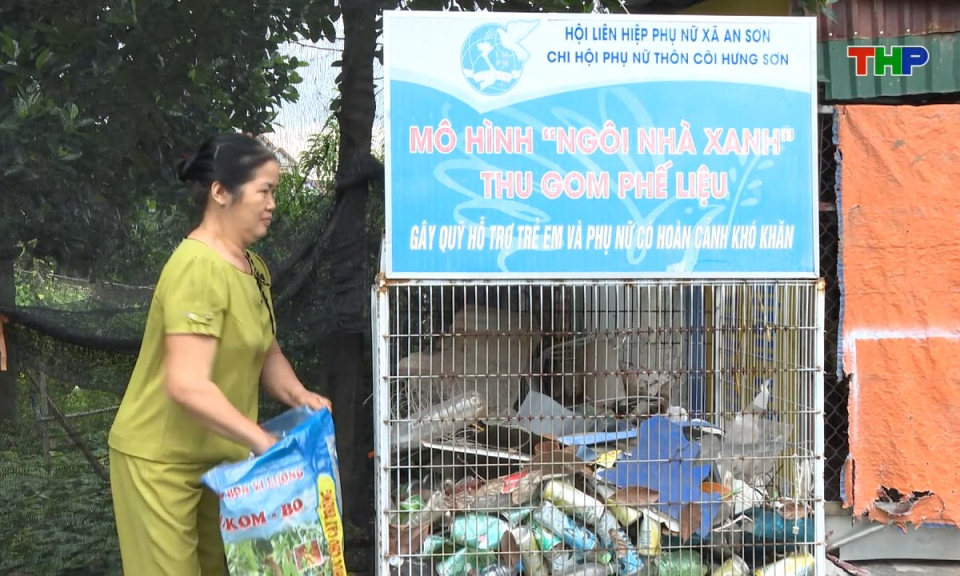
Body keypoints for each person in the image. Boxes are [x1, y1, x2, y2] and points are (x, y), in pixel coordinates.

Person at [107, 132, 332, 576]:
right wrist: (262, 442)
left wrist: (301, 396)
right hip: (160, 461)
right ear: (221, 191)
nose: (273, 204)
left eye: (275, 192)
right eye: (264, 191)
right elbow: (186, 384)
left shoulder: (255, 269)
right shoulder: (196, 266)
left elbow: (265, 352)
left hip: (221, 462)